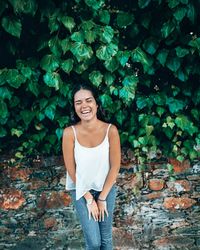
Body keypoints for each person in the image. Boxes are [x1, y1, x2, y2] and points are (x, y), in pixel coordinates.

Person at [62, 83, 121, 250]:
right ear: (74, 107)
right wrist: (89, 199)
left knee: (106, 240)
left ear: (96, 104)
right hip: (80, 190)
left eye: (88, 100)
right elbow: (71, 169)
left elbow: (115, 166)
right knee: (94, 242)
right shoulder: (69, 133)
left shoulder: (111, 130)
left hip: (106, 189)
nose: (84, 106)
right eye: (78, 102)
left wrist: (102, 198)